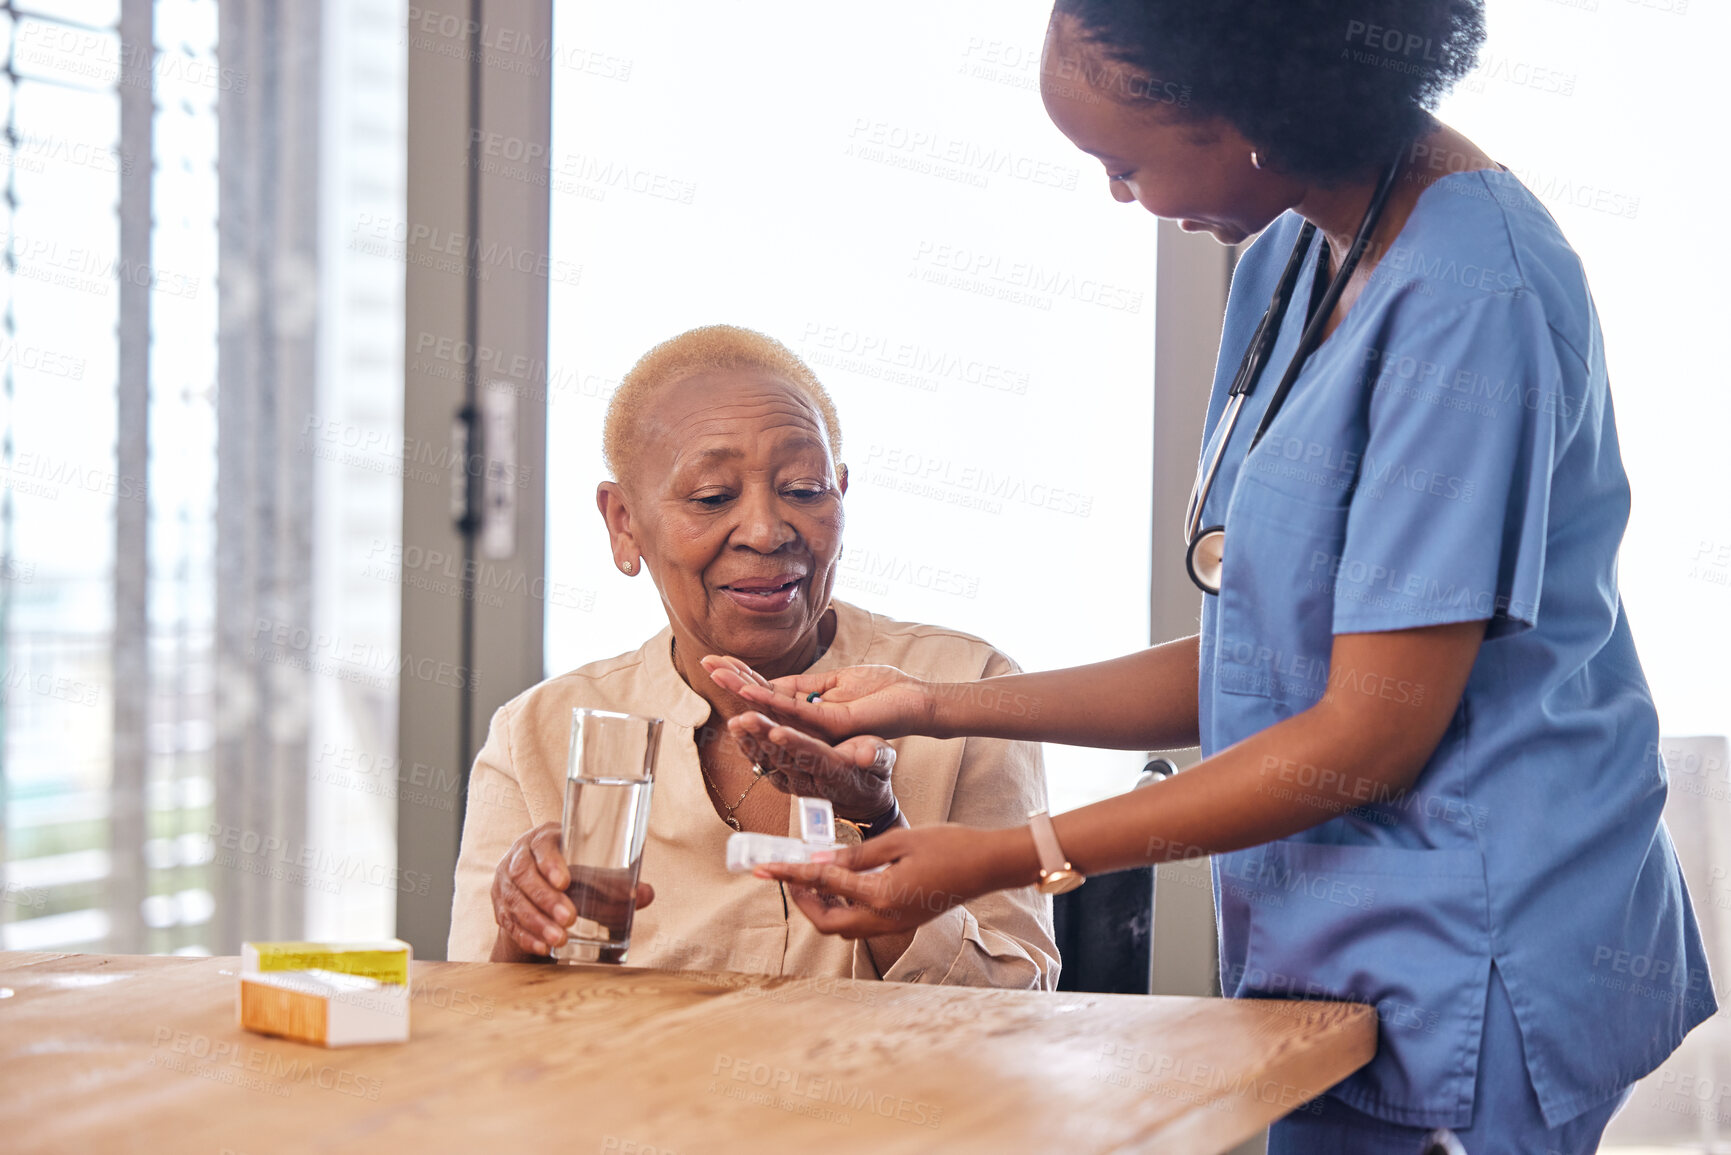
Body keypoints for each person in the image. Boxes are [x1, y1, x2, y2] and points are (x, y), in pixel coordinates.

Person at [705, 3, 1712, 1151]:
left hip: (1479, 949)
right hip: (1334, 955)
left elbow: (1369, 732)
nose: (1119, 198)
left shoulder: (1478, 297)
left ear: (1251, 106)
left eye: (1123, 164)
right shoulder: (1290, 256)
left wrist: (1006, 856)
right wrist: (932, 707)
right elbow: (1265, 654)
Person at [446, 324, 1058, 990]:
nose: (766, 531)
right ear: (623, 523)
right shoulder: (538, 734)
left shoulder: (968, 689)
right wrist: (523, 928)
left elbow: (1016, 1012)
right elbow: (477, 1033)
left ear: (841, 499)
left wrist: (874, 826)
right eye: (712, 497)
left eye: (802, 489)